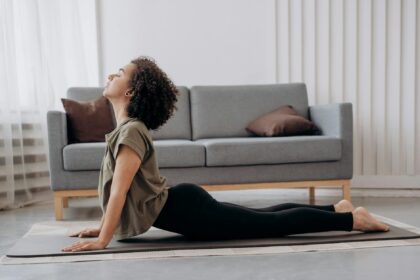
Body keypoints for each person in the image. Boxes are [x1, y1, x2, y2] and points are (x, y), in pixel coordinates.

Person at [62, 56, 390, 252]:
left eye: (119, 73)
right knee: (266, 216)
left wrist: (103, 238)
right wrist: (103, 225)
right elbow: (121, 193)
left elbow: (119, 191)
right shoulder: (126, 130)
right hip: (185, 206)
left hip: (190, 211)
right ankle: (337, 207)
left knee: (270, 224)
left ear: (131, 91)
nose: (111, 76)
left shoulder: (131, 131)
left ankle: (349, 219)